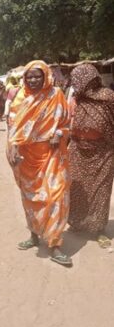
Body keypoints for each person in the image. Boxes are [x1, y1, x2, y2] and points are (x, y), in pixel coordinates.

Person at [7, 60, 72, 266]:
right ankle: (34, 235)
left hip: (52, 154)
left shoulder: (56, 96)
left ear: (45, 76)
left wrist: (59, 133)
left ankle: (54, 244)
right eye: (29, 76)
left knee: (56, 196)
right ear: (24, 78)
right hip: (27, 157)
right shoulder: (20, 98)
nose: (33, 80)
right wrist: (14, 148)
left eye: (37, 76)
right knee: (32, 198)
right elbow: (12, 127)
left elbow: (67, 123)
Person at [68, 64, 114, 248]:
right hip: (78, 151)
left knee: (100, 192)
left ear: (88, 79)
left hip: (103, 153)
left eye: (77, 79)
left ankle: (98, 230)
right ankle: (78, 223)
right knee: (78, 190)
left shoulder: (108, 97)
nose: (74, 83)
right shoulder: (77, 99)